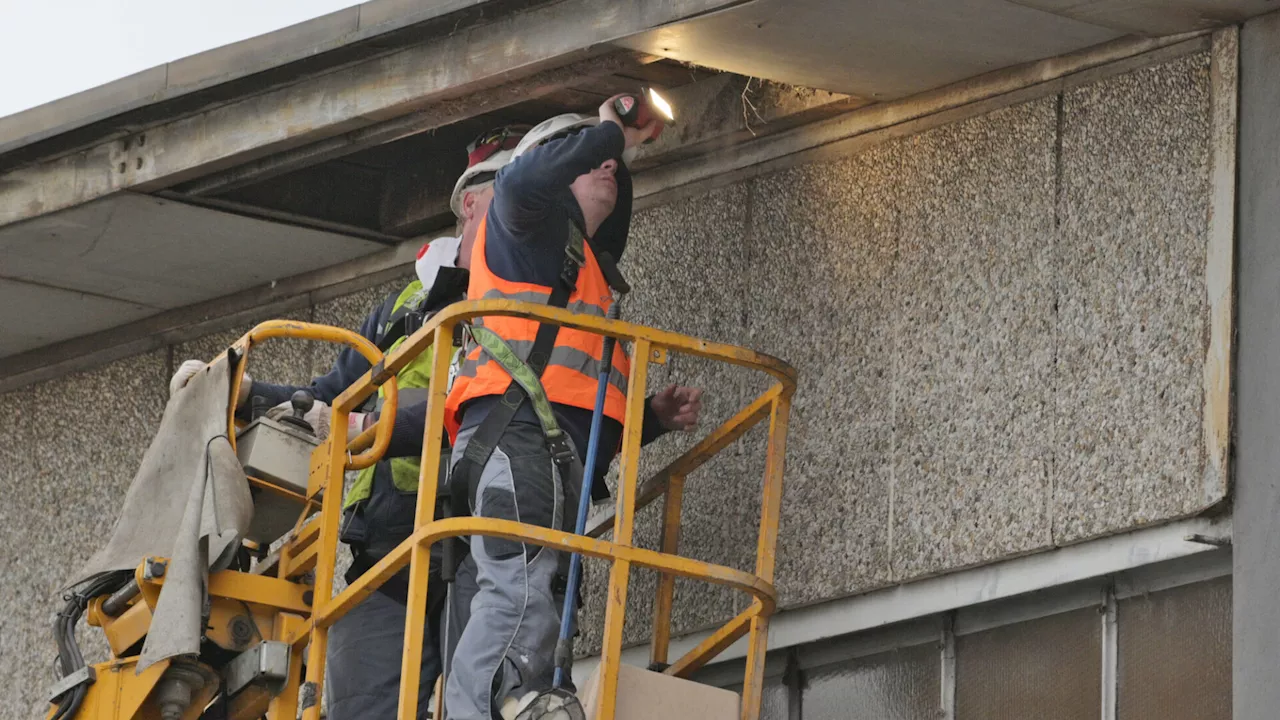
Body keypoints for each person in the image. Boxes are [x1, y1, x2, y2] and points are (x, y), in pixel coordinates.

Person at [167, 124, 529, 720]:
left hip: (482, 546)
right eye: (512, 192)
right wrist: (244, 392)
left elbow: (552, 408)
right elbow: (327, 403)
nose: (527, 211)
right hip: (385, 554)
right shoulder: (402, 312)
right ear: (471, 203)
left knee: (486, 704)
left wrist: (648, 417)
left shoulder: (529, 303)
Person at [441, 98, 704, 720]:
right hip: (513, 439)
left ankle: (521, 703)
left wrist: (649, 420)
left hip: (550, 450)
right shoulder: (522, 221)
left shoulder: (583, 272)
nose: (608, 166)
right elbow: (522, 178)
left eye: (613, 161)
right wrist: (609, 128)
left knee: (549, 593)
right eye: (592, 159)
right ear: (555, 165)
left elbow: (579, 408)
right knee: (518, 590)